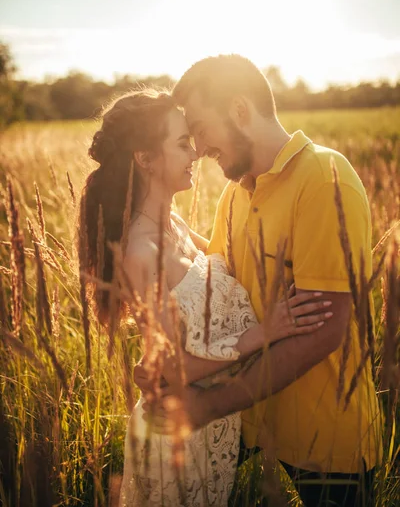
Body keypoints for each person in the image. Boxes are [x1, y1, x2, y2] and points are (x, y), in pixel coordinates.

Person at [141, 55, 382, 507]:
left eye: (200, 127)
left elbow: (323, 334)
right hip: (250, 422)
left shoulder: (325, 179)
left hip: (324, 438)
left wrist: (207, 407)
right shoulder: (235, 191)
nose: (197, 146)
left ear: (238, 110)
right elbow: (215, 278)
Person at [78, 88, 332, 507]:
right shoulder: (141, 253)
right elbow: (168, 370)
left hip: (210, 426)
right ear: (145, 158)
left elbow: (226, 262)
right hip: (177, 434)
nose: (195, 152)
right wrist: (261, 334)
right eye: (181, 143)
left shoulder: (173, 224)